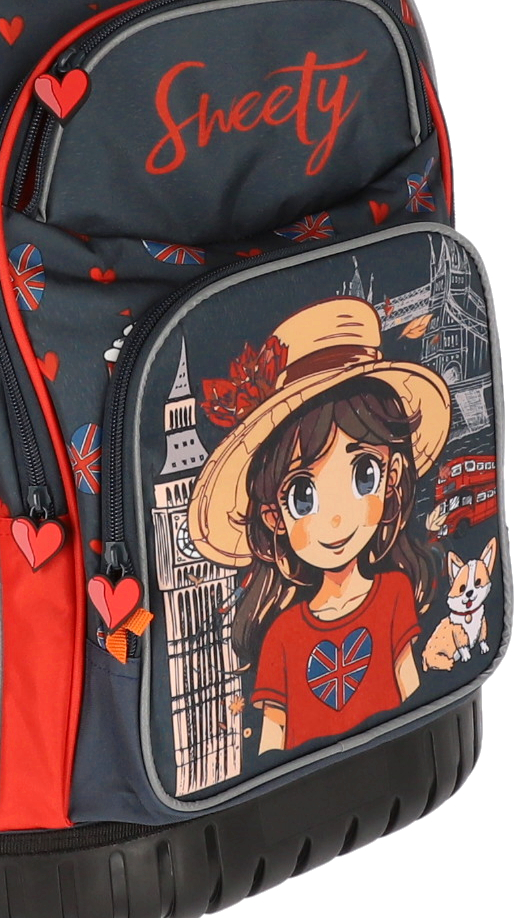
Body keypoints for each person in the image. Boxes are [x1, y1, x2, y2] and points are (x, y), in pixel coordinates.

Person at [189, 298, 450, 753]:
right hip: (306, 787)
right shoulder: (282, 635)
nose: (336, 517)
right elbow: (272, 743)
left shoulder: (394, 594)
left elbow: (413, 695)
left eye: (363, 475)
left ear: (391, 476)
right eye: (303, 495)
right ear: (273, 516)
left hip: (402, 756)